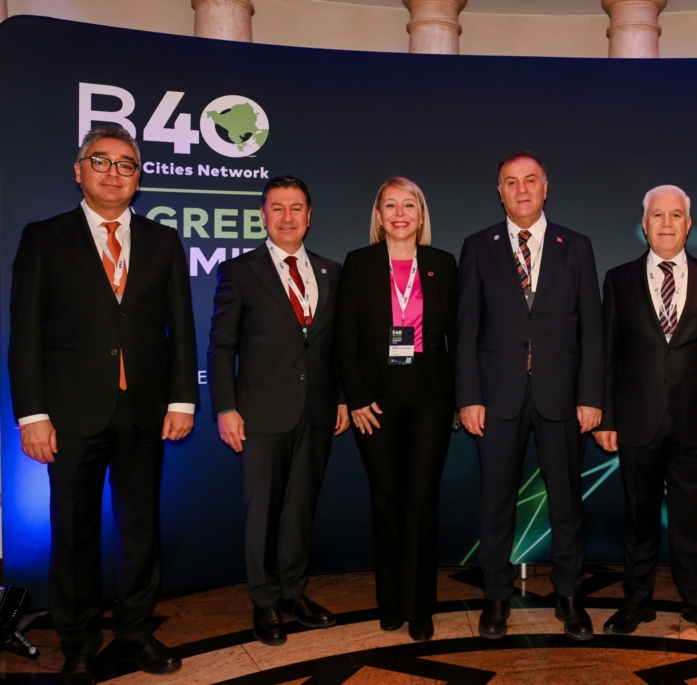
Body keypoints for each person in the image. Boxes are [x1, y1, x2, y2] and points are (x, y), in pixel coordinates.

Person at [8, 125, 198, 685]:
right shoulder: (44, 237)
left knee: (141, 531)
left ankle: (136, 633)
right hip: (71, 415)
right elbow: (25, 333)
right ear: (79, 171)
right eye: (101, 161)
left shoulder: (163, 240)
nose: (114, 172)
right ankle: (79, 642)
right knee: (73, 533)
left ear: (138, 179)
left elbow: (180, 328)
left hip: (143, 412)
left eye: (126, 164)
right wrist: (32, 415)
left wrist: (182, 399)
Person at [455, 151, 604, 641]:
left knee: (567, 506)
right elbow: (466, 327)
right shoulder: (478, 246)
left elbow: (592, 328)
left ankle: (570, 598)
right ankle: (496, 597)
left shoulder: (576, 246)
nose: (521, 189)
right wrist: (469, 396)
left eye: (530, 180)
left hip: (561, 397)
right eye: (511, 181)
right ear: (499, 191)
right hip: (497, 398)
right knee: (495, 504)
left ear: (545, 187)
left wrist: (591, 395)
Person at [208, 175, 349, 647]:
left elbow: (336, 347)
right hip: (260, 413)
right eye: (278, 208)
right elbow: (221, 346)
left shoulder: (331, 271)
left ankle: (293, 593)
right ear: (263, 215)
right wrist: (226, 408)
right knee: (263, 512)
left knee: (300, 509)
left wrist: (342, 397)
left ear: (309, 216)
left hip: (317, 411)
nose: (287, 217)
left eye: (296, 208)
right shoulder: (239, 272)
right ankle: (264, 600)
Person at [593, 185, 697, 641]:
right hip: (636, 421)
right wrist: (606, 418)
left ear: (689, 224)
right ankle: (637, 601)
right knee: (638, 519)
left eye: (676, 214)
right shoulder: (618, 280)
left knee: (693, 521)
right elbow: (607, 356)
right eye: (658, 215)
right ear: (645, 223)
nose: (667, 223)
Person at [337, 178, 457, 642]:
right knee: (386, 496)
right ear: (379, 215)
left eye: (409, 205)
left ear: (421, 214)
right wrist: (355, 396)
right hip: (375, 399)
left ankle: (420, 605)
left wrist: (463, 396)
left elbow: (459, 334)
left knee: (422, 497)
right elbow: (345, 337)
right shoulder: (359, 263)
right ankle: (389, 601)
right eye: (390, 205)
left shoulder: (442, 263)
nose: (400, 213)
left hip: (431, 395)